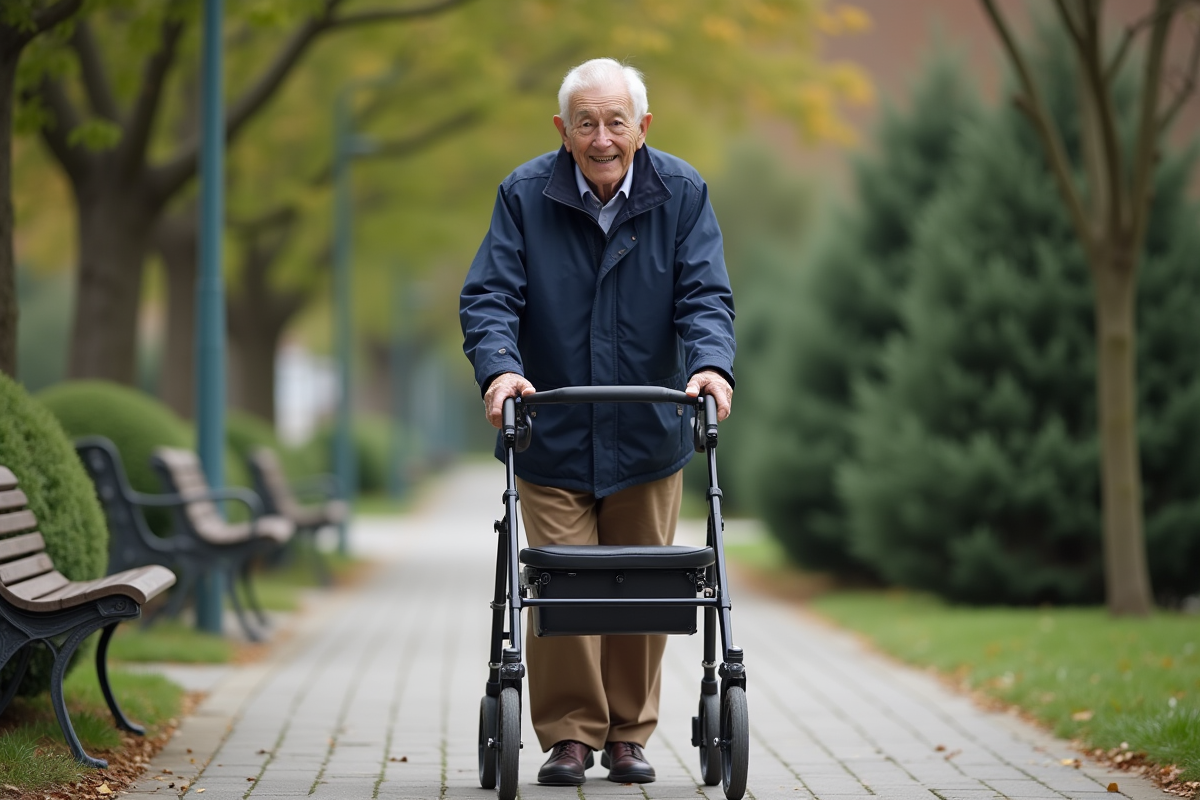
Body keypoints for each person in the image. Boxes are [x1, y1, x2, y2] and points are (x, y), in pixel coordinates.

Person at [459, 57, 735, 787]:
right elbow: (490, 296)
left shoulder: (681, 192)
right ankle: (573, 735)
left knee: (646, 583)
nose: (602, 137)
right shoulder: (523, 195)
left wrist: (710, 365)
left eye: (617, 121)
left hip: (648, 433)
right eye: (587, 122)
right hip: (550, 431)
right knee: (563, 583)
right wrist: (501, 371)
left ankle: (628, 735)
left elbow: (705, 295)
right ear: (563, 129)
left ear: (643, 127)